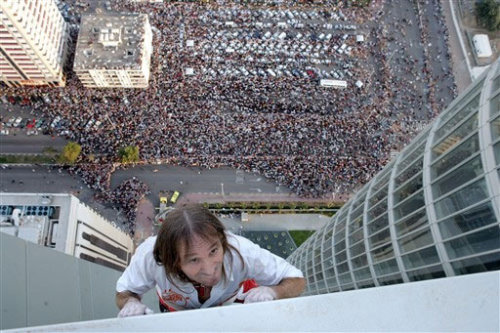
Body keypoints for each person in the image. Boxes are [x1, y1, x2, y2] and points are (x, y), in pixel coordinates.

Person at [116, 203, 306, 317]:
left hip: (233, 303)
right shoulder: (149, 255)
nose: (209, 270)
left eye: (214, 251)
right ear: (171, 261)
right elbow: (124, 292)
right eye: (194, 260)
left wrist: (273, 291)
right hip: (176, 310)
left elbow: (296, 279)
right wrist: (130, 303)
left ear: (223, 241)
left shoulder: (240, 249)